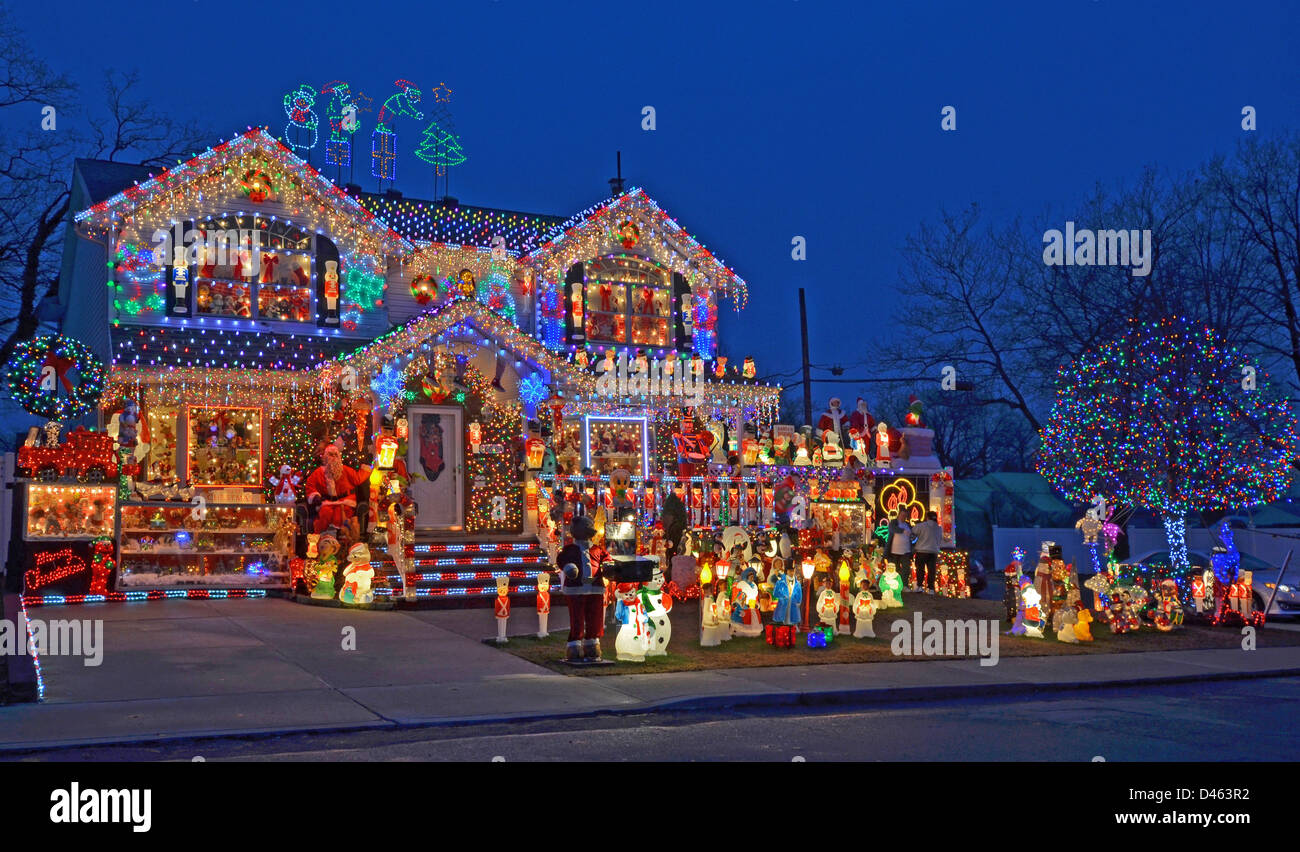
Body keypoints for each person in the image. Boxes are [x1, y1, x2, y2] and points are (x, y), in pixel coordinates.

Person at [911, 511, 942, 593]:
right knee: (931, 570)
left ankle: (920, 586)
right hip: (933, 551)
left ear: (927, 517)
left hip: (922, 551)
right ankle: (931, 588)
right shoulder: (939, 528)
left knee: (920, 569)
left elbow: (912, 532)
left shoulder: (921, 526)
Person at [885, 514, 913, 578]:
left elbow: (912, 534)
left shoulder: (908, 525)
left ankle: (904, 585)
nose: (903, 517)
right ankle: (896, 584)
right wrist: (903, 531)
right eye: (902, 515)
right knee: (895, 570)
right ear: (899, 515)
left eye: (905, 516)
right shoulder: (894, 522)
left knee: (906, 570)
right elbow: (892, 529)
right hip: (894, 551)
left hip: (906, 551)